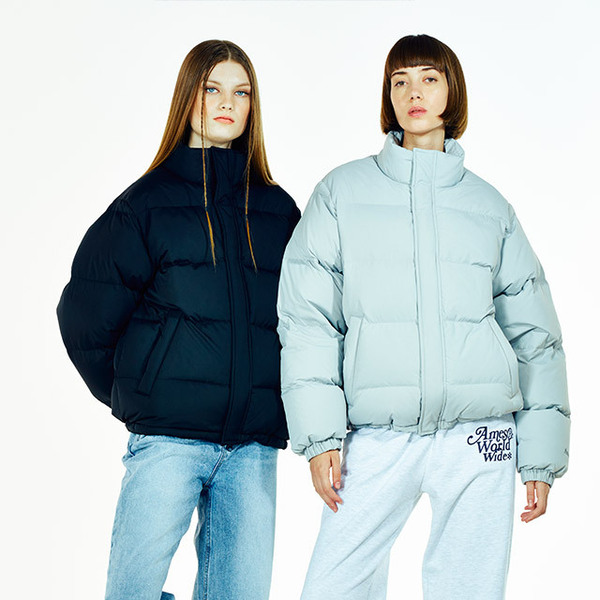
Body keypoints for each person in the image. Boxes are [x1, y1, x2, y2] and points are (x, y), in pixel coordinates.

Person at [276, 33, 570, 600]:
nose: (414, 92)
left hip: (481, 435)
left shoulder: (490, 207)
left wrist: (540, 454)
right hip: (378, 435)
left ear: (451, 91)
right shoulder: (341, 192)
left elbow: (535, 335)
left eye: (429, 78)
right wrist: (319, 435)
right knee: (333, 587)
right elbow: (308, 319)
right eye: (400, 81)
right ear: (387, 96)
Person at [56, 39, 300, 600]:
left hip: (252, 449)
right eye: (212, 88)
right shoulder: (145, 205)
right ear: (188, 95)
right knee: (131, 593)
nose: (227, 102)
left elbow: (305, 322)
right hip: (168, 440)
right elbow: (84, 315)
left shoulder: (277, 210)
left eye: (241, 92)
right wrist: (141, 391)